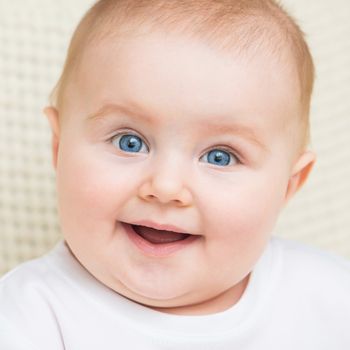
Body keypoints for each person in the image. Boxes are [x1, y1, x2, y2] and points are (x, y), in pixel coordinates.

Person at [1, 0, 349, 348]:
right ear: (59, 148)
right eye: (130, 142)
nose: (166, 187)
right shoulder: (30, 317)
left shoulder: (326, 295)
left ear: (288, 186)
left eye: (220, 157)